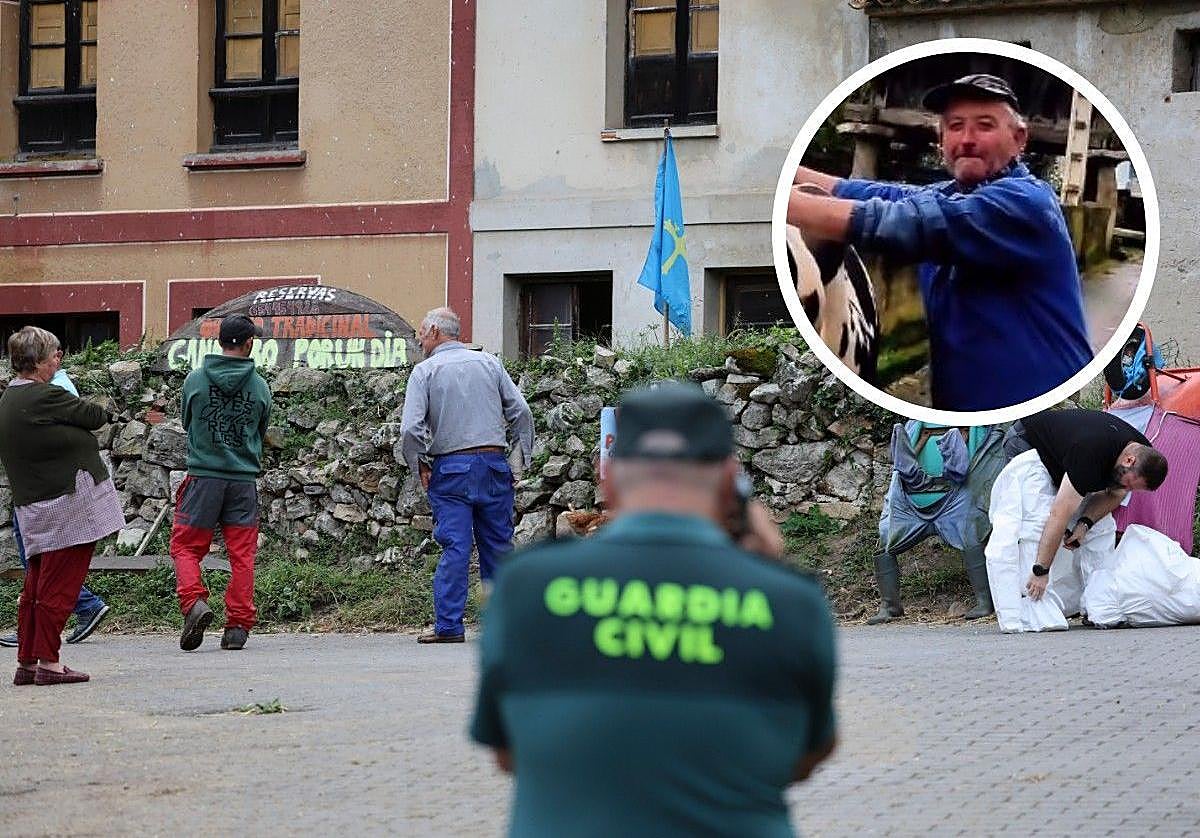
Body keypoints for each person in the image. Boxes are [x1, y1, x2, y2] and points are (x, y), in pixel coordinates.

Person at [469, 383, 837, 836]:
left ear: (608, 478)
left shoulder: (525, 586)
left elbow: (509, 753)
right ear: (729, 482)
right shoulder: (792, 602)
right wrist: (764, 569)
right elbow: (805, 755)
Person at [788, 74, 1092, 411]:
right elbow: (872, 192)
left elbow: (902, 223)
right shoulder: (953, 194)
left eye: (984, 125)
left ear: (1019, 139)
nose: (967, 139)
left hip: (1042, 407)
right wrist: (787, 173)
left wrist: (783, 204)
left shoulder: (1025, 203)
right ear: (940, 138)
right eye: (955, 126)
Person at [399, 307, 533, 644]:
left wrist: (420, 466)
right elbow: (522, 413)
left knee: (455, 547)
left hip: (451, 469)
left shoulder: (424, 372)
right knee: (498, 546)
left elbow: (411, 431)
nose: (418, 338)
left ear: (433, 331)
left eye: (420, 332)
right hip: (493, 464)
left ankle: (449, 626)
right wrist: (517, 462)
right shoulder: (490, 363)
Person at [0, 327, 125, 685]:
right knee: (59, 584)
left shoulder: (12, 397)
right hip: (64, 505)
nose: (59, 358)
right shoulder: (44, 396)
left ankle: (27, 661)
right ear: (37, 360)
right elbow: (94, 415)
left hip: (38, 505)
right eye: (54, 353)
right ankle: (50, 663)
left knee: (37, 587)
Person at [170, 314, 272, 652]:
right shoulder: (259, 386)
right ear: (248, 345)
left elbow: (187, 422)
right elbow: (260, 430)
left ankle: (194, 602)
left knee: (186, 548)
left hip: (203, 478)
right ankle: (238, 626)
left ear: (219, 342)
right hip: (242, 481)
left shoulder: (195, 380)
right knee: (242, 555)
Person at [1000, 408, 1167, 602]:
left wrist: (1084, 523)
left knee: (1098, 525)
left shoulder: (1142, 454)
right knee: (1037, 518)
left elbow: (1117, 493)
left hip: (1066, 452)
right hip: (1026, 441)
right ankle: (1026, 594)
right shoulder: (1090, 455)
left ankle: (1095, 601)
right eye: (1129, 483)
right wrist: (1041, 570)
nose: (1126, 487)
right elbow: (1058, 514)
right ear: (1129, 460)